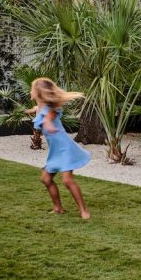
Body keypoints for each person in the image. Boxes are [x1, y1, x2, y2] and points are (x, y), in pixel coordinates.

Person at [29, 78, 91, 219]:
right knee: (46, 179)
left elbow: (49, 117)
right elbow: (37, 110)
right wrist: (30, 111)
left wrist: (48, 123)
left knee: (67, 180)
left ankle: (83, 211)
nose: (30, 91)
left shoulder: (51, 110)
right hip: (56, 151)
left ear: (38, 93)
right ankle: (58, 208)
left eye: (32, 89)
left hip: (65, 149)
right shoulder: (40, 108)